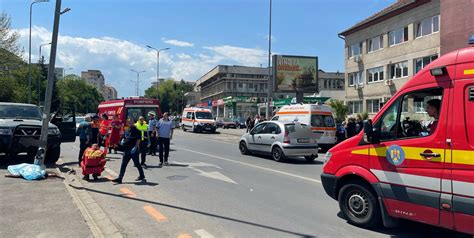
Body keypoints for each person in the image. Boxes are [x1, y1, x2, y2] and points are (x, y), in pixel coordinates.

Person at [112, 119, 145, 184]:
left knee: (137, 164)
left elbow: (138, 140)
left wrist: (135, 147)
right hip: (127, 150)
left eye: (131, 122)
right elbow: (125, 138)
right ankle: (120, 178)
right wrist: (122, 141)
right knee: (123, 164)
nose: (129, 123)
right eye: (128, 122)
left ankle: (142, 175)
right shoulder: (128, 130)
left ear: (133, 122)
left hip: (133, 150)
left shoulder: (137, 130)